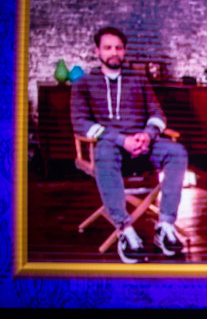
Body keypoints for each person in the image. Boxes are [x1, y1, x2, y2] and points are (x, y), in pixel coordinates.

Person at [70, 27, 187, 264]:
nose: (114, 52)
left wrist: (147, 134)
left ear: (124, 51)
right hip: (109, 149)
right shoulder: (83, 83)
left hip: (143, 147)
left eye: (118, 48)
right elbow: (80, 122)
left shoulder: (138, 79)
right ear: (97, 51)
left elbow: (157, 114)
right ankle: (125, 229)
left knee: (177, 151)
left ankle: (164, 226)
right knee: (104, 150)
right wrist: (121, 140)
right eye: (108, 48)